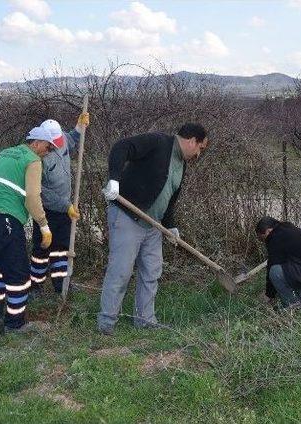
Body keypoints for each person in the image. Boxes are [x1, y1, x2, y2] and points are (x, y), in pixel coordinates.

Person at [97, 123, 209, 335]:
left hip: (153, 226)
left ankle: (145, 320)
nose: (198, 153)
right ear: (192, 140)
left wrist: (171, 225)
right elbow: (122, 147)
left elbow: (169, 198)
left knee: (151, 272)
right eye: (200, 148)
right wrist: (114, 179)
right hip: (128, 217)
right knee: (120, 271)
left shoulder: (181, 165)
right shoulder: (158, 142)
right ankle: (106, 323)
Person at [0, 126, 56, 332]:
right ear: (37, 143)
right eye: (48, 147)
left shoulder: (5, 153)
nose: (48, 152)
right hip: (7, 222)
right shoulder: (32, 160)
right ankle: (15, 324)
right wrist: (44, 226)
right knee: (19, 276)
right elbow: (32, 198)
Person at [28, 112, 90, 296]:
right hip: (47, 211)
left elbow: (70, 140)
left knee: (61, 248)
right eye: (54, 141)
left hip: (65, 210)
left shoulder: (61, 138)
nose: (59, 143)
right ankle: (35, 286)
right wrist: (64, 205)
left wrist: (79, 128)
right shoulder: (40, 158)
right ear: (44, 140)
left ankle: (61, 285)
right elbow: (41, 191)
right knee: (41, 249)